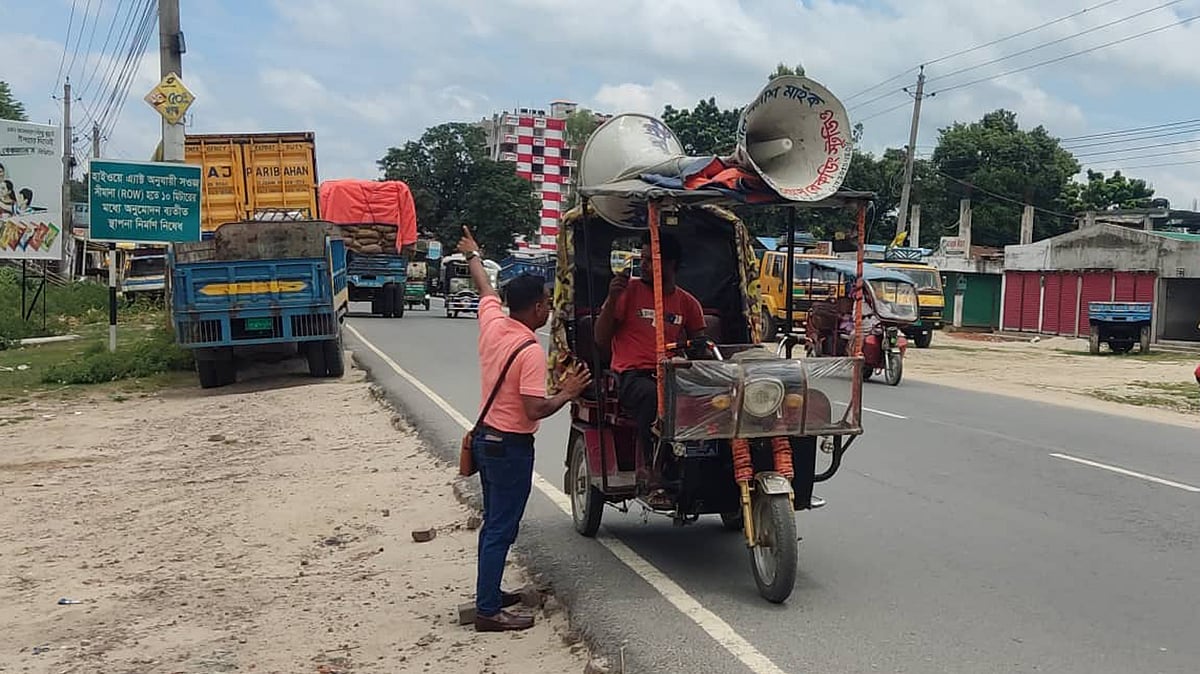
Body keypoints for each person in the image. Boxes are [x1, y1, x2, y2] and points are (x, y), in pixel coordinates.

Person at [457, 226, 590, 633]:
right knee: (501, 525)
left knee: (495, 522)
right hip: (509, 447)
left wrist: (473, 255)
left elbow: (485, 289)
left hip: (485, 441)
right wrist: (567, 392)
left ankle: (490, 595)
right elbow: (535, 408)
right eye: (547, 302)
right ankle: (487, 611)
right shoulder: (530, 349)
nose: (550, 308)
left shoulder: (494, 324)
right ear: (534, 308)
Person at [594, 231, 704, 467]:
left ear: (670, 263)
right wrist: (612, 298)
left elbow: (701, 345)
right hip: (633, 376)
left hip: (673, 375)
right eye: (642, 259)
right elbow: (600, 338)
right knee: (654, 397)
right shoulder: (627, 293)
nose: (643, 265)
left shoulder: (688, 303)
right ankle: (654, 470)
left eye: (650, 260)